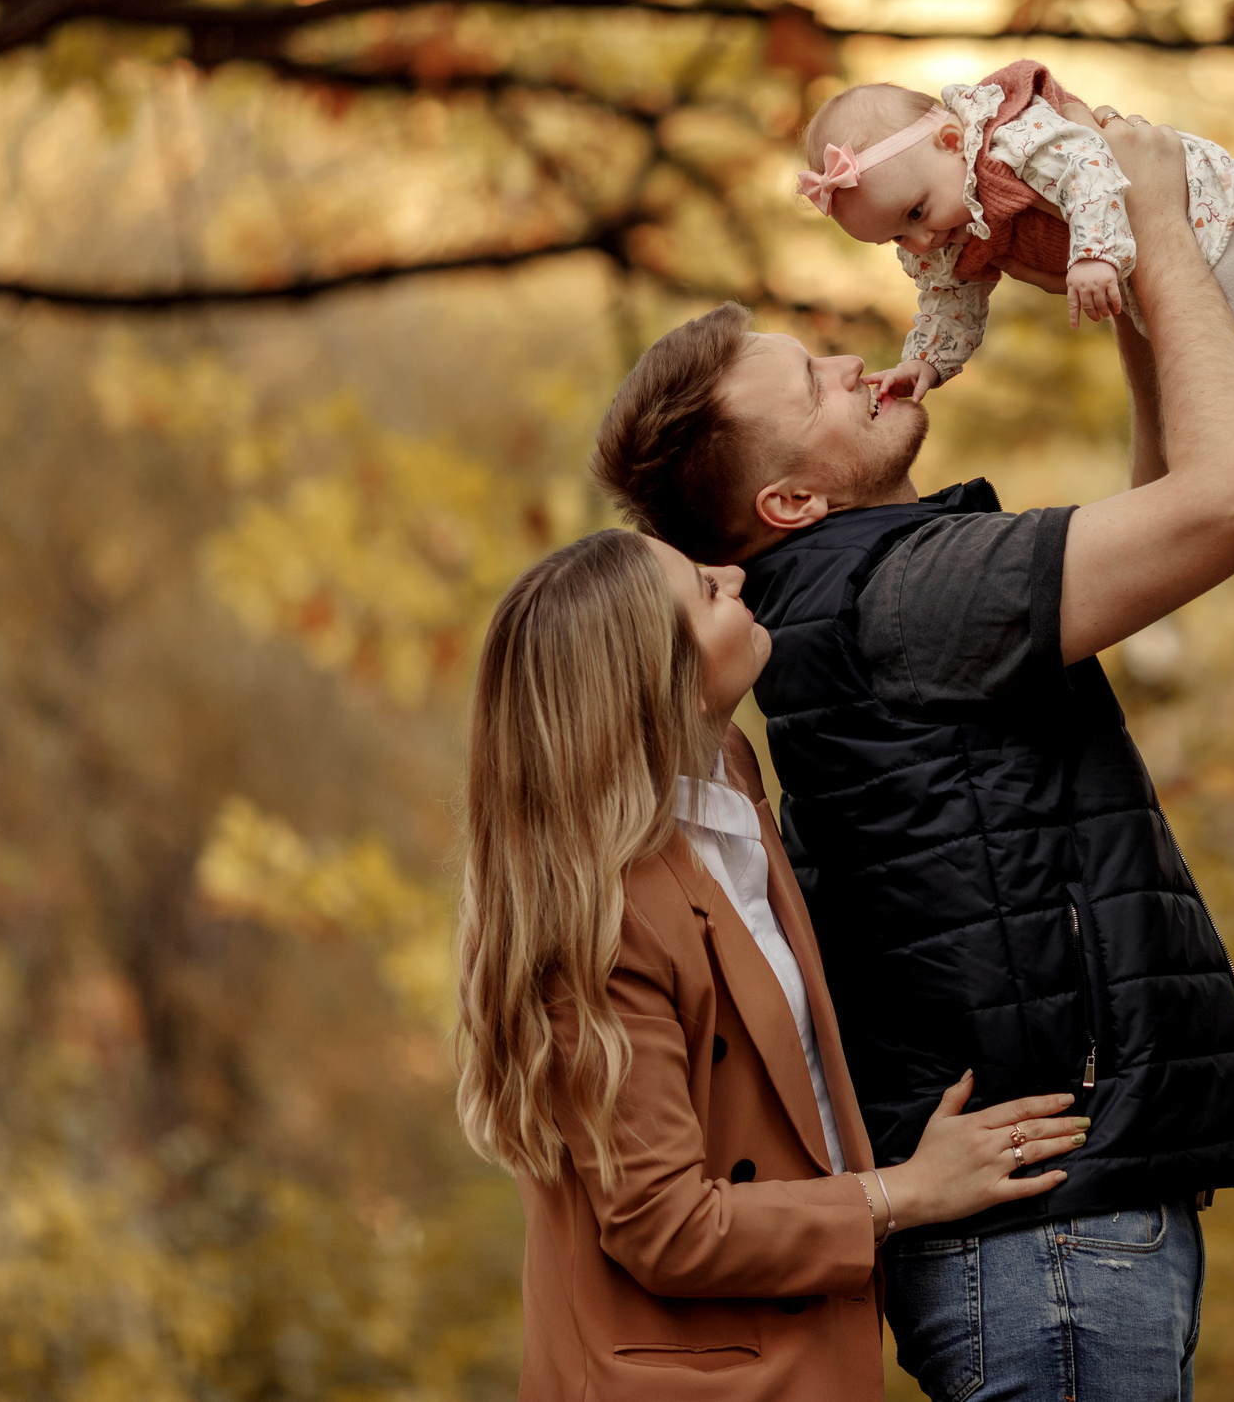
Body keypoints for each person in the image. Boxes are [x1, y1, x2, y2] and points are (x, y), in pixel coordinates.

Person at [589, 109, 1234, 1400]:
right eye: (812, 381)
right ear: (789, 502)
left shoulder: (852, 595)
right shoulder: (898, 595)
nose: (860, 363)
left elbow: (1175, 495)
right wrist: (1146, 211)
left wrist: (1141, 276)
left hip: (1044, 1238)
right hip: (1048, 1244)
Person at [452, 527, 1091, 1400]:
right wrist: (904, 1192)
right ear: (654, 679)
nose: (733, 572)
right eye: (705, 592)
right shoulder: (604, 921)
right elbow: (667, 1226)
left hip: (798, 1357)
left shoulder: (728, 781)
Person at [796, 59, 1234, 488]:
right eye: (896, 235)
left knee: (1220, 364)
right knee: (1226, 356)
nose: (920, 240)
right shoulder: (948, 231)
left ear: (951, 143)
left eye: (916, 212)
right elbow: (948, 299)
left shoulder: (1008, 141)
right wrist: (925, 362)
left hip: (1229, 222)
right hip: (1205, 247)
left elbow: (1089, 166)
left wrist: (1093, 253)